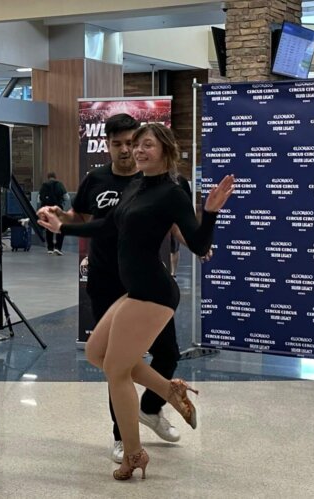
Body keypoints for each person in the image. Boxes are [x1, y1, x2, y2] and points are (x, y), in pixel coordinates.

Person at [39, 123, 234, 481]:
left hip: (155, 293)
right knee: (97, 353)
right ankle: (167, 388)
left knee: (116, 370)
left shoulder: (172, 193)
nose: (137, 150)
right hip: (136, 291)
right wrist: (61, 228)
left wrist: (211, 212)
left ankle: (133, 453)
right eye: (134, 145)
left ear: (165, 151)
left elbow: (200, 245)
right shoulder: (134, 187)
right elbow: (104, 227)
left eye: (147, 145)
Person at [38, 114, 184, 464]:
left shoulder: (150, 180)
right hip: (106, 281)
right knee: (116, 363)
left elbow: (176, 220)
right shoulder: (95, 180)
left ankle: (151, 409)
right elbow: (83, 219)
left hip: (148, 281)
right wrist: (60, 217)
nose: (124, 150)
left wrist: (194, 237)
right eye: (116, 143)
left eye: (131, 142)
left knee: (168, 353)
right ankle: (121, 435)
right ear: (107, 144)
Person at [39, 172, 67, 255]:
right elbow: (66, 197)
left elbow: (39, 198)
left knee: (48, 229)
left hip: (47, 210)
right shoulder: (59, 184)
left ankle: (50, 248)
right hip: (57, 209)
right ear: (55, 177)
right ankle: (58, 248)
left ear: (48, 177)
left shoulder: (44, 185)